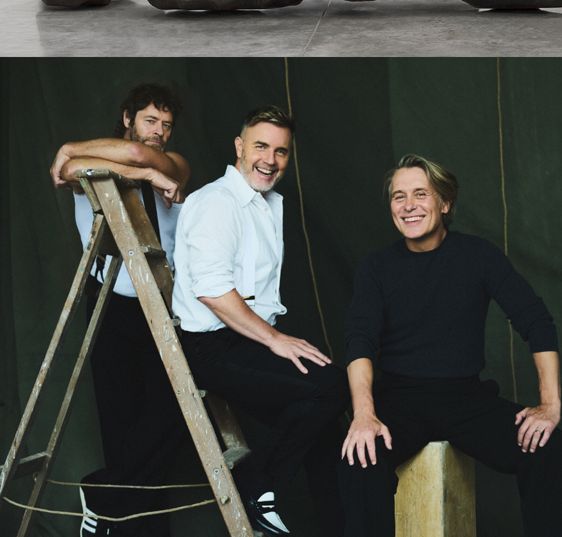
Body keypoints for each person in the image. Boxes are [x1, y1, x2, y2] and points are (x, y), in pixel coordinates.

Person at [339, 155, 562, 535]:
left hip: (467, 401)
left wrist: (550, 405)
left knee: (553, 450)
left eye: (421, 194)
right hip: (400, 401)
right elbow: (360, 341)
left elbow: (536, 321)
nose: (409, 205)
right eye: (398, 197)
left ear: (444, 203)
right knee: (360, 460)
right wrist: (364, 414)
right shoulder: (376, 267)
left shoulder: (478, 255)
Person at [173, 106, 346, 535]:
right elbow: (211, 290)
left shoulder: (265, 205)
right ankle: (254, 480)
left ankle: (341, 529)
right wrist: (275, 340)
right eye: (261, 147)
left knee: (324, 422)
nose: (270, 160)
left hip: (245, 342)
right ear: (239, 146)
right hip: (210, 347)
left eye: (281, 151)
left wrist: (269, 340)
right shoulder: (216, 202)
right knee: (334, 387)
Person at [44, 83, 192, 535]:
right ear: (128, 119)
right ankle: (123, 523)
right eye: (150, 121)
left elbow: (146, 160)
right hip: (109, 303)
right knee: (120, 420)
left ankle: (105, 493)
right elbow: (70, 170)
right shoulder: (105, 167)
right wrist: (142, 176)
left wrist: (143, 169)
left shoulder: (177, 165)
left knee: (178, 412)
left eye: (167, 125)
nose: (160, 133)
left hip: (165, 306)